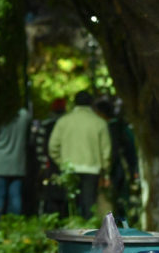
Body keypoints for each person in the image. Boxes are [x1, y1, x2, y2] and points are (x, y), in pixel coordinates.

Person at [48, 90, 112, 219]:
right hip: (92, 169)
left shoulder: (63, 121)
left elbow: (52, 147)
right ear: (91, 103)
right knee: (89, 205)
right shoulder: (100, 123)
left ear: (74, 103)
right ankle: (88, 229)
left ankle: (71, 228)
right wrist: (105, 171)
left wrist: (62, 163)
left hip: (69, 169)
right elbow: (106, 151)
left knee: (71, 206)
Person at [0, 107, 32, 224]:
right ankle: (14, 225)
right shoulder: (25, 115)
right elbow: (29, 138)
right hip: (18, 163)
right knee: (16, 197)